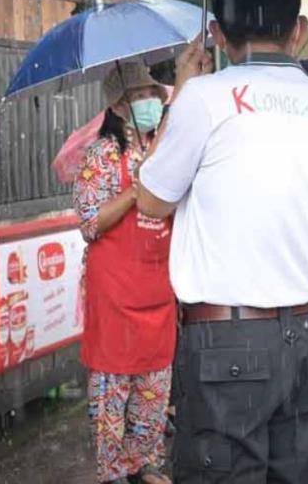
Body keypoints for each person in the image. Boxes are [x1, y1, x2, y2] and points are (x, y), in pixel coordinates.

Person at [138, 0, 308, 483]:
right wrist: (304, 327)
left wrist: (181, 89)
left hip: (226, 344)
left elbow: (151, 200)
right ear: (299, 29)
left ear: (218, 34)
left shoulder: (205, 98)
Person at [73, 62, 178, 484]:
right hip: (115, 291)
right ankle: (113, 468)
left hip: (156, 283)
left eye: (153, 93)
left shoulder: (162, 148)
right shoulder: (101, 155)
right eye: (140, 96)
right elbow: (89, 224)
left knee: (154, 379)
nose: (151, 102)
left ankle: (147, 460)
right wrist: (136, 189)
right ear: (118, 105)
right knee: (112, 385)